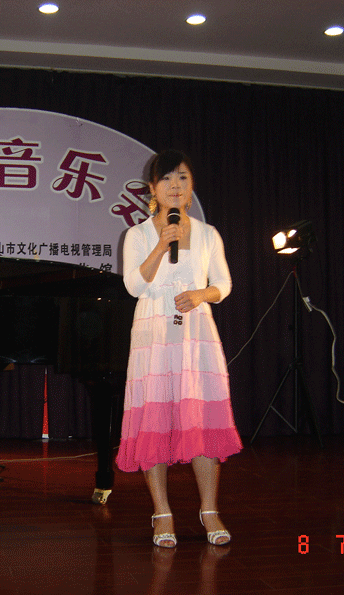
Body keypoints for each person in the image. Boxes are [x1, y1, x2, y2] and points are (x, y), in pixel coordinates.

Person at [115, 150, 243, 547]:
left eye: (182, 178)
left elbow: (223, 284)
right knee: (154, 421)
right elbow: (134, 286)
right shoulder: (137, 235)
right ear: (153, 189)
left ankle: (210, 510)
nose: (175, 185)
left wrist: (201, 293)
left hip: (195, 335)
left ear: (191, 188)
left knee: (200, 419)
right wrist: (160, 245)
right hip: (153, 334)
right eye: (167, 179)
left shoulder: (208, 234)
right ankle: (162, 512)